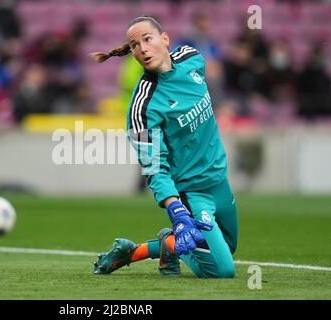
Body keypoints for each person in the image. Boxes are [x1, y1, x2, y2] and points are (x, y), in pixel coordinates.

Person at [90, 16, 238, 278]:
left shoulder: (193, 58)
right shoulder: (143, 106)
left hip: (219, 180)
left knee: (228, 247)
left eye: (147, 39)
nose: (143, 49)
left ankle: (150, 248)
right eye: (135, 45)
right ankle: (157, 245)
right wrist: (176, 209)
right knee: (222, 270)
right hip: (191, 193)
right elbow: (154, 166)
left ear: (165, 39)